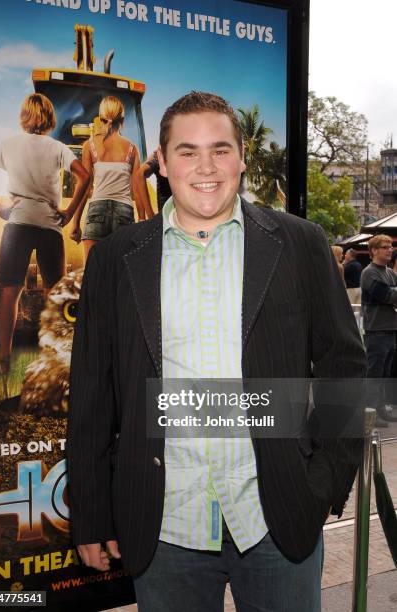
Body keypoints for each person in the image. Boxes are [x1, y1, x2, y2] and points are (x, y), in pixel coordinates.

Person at [67, 92, 366, 612]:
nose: (205, 167)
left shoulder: (300, 243)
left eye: (220, 149)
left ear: (242, 156)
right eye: (186, 151)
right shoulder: (116, 258)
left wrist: (322, 483)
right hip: (163, 528)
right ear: (161, 161)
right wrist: (92, 512)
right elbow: (92, 390)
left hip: (278, 521)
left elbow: (345, 368)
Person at [0, 93, 89, 374]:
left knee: (10, 292)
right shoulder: (58, 148)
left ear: (24, 116)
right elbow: (85, 176)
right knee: (55, 294)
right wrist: (70, 211)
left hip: (17, 223)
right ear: (50, 117)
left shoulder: (9, 145)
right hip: (50, 225)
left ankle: (4, 358)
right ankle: (56, 358)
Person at [70, 96, 144, 261]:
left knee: (92, 275)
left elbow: (85, 187)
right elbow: (138, 191)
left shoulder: (89, 145)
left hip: (97, 211)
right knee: (120, 276)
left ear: (101, 118)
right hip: (125, 214)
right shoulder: (132, 149)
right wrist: (142, 222)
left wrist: (75, 223)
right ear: (122, 120)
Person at [361, 234, 397, 427]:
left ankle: (381, 409)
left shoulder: (389, 273)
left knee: (385, 373)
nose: (389, 249)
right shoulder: (369, 272)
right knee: (374, 374)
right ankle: (370, 413)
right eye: (384, 246)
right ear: (373, 250)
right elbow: (385, 295)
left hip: (391, 329)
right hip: (376, 330)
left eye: (390, 246)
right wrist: (392, 294)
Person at [136, 149, 172, 215]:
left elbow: (140, 174)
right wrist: (150, 214)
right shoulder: (161, 155)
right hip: (166, 211)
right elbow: (140, 174)